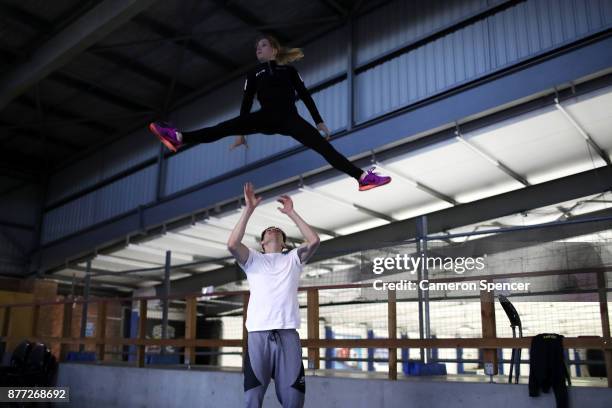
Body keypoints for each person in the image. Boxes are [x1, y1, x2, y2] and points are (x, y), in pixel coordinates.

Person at [149, 34, 391, 192]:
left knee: (324, 148)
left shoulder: (289, 71)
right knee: (222, 128)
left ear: (274, 50)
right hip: (265, 117)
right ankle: (180, 138)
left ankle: (361, 177)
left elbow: (305, 95)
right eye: (256, 47)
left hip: (289, 119)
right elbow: (246, 100)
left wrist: (319, 121)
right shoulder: (253, 74)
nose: (258, 49)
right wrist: (241, 129)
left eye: (263, 45)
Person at [227, 182, 318, 408]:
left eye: (277, 230)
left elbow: (314, 240)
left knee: (294, 399)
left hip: (288, 335)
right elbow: (232, 244)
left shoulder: (293, 258)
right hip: (258, 334)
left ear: (284, 242)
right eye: (268, 230)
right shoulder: (253, 259)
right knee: (252, 398)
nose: (273, 229)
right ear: (262, 243)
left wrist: (291, 212)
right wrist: (248, 209)